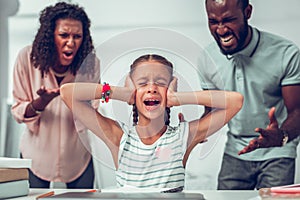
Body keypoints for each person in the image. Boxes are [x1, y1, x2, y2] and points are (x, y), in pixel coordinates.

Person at [60, 54, 243, 188]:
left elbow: (235, 101)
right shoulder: (118, 137)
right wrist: (122, 93)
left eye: (161, 82)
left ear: (171, 87)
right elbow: (68, 93)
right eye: (142, 83)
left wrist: (178, 97)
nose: (152, 88)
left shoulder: (183, 137)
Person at [201, 0, 300, 190]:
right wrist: (182, 133)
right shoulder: (207, 58)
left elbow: (297, 111)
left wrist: (281, 136)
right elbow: (211, 113)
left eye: (229, 20)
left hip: (277, 151)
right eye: (213, 22)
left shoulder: (286, 53)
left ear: (247, 12)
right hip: (235, 152)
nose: (221, 30)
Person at [11, 2, 100, 188]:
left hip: (78, 157)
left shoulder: (90, 65)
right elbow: (18, 111)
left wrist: (81, 103)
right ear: (50, 36)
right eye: (64, 35)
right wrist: (40, 103)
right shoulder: (26, 59)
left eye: (77, 36)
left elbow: (94, 112)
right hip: (35, 156)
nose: (71, 42)